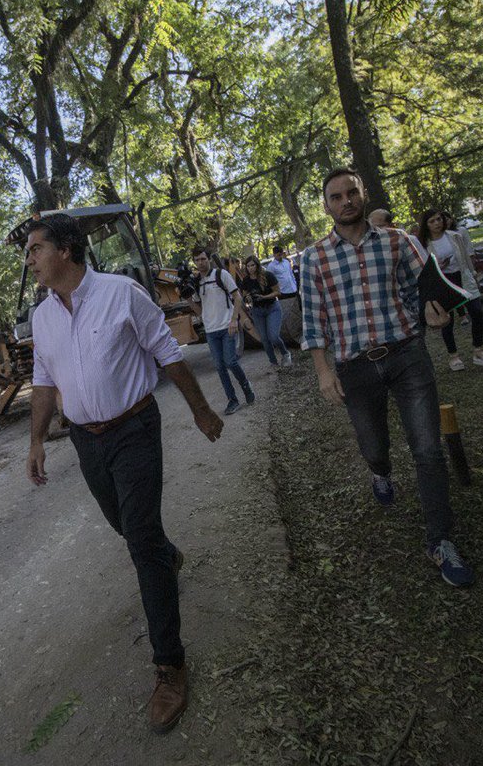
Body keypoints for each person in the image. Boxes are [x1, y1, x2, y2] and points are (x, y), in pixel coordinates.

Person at [24, 214, 224, 733]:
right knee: (130, 529)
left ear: (66, 250)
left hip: (134, 429)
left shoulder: (123, 293)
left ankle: (170, 664)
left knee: (138, 540)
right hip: (88, 443)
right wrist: (36, 439)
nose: (30, 259)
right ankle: (164, 553)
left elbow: (170, 356)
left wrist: (201, 410)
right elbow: (43, 381)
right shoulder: (41, 317)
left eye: (36, 248)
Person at [300, 167, 475, 588]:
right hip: (355, 368)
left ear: (362, 195)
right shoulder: (314, 258)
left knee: (428, 449)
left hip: (406, 355)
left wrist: (436, 312)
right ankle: (380, 473)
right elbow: (313, 320)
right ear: (327, 206)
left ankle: (440, 541)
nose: (346, 201)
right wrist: (324, 371)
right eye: (337, 196)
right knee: (374, 445)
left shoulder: (399, 241)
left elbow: (426, 289)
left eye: (352, 192)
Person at [416, 208, 483, 371]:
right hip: (443, 282)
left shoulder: (454, 236)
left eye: (439, 219)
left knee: (477, 312)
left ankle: (478, 350)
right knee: (448, 321)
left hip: (463, 277)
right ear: (426, 225)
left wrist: (473, 274)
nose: (437, 223)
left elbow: (466, 257)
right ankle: (454, 356)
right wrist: (438, 265)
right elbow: (424, 268)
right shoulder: (423, 244)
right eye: (432, 221)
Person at [189, 247, 255, 414]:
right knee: (219, 366)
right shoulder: (197, 282)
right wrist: (187, 298)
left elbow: (237, 297)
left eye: (203, 259)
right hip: (211, 331)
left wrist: (234, 320)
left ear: (209, 259)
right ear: (194, 262)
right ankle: (232, 400)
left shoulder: (221, 275)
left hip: (227, 326)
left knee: (230, 361)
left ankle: (246, 386)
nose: (200, 263)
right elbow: (199, 309)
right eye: (197, 260)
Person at [240, 255, 292, 368]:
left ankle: (285, 353)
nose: (250, 268)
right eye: (248, 266)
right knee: (264, 338)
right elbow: (244, 296)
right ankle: (273, 362)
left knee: (273, 336)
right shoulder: (246, 280)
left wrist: (265, 297)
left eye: (252, 265)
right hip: (257, 311)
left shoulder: (268, 275)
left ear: (257, 265)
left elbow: (278, 292)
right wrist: (248, 300)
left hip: (272, 307)